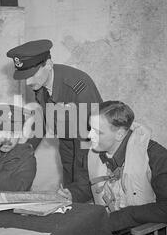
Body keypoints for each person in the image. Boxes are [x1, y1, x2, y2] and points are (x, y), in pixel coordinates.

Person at [87, 100, 167, 235]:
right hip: (116, 230)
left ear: (119, 134)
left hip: (157, 234)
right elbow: (84, 185)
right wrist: (67, 194)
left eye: (97, 131)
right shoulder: (95, 153)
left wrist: (122, 217)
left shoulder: (154, 154)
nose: (90, 136)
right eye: (90, 128)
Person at [6, 39, 102, 202]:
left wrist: (78, 191)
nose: (28, 82)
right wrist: (25, 149)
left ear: (48, 64)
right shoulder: (41, 83)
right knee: (68, 191)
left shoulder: (78, 87)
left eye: (31, 75)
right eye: (24, 77)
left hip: (88, 145)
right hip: (66, 141)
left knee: (82, 192)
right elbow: (45, 115)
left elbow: (86, 140)